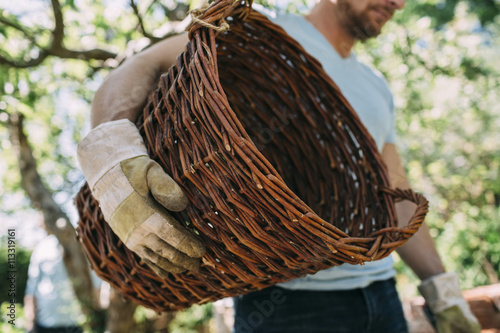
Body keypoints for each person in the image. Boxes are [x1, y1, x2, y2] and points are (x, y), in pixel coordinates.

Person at [77, 0, 481, 332]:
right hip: (285, 305)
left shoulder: (377, 86)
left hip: (382, 296)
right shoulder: (258, 30)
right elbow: (138, 67)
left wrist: (441, 289)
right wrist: (112, 161)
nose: (398, 3)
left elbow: (395, 190)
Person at [24, 233, 101, 333]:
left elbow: (96, 285)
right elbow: (31, 288)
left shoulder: (82, 246)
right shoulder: (43, 247)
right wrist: (30, 322)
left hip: (76, 324)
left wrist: (96, 315)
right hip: (45, 324)